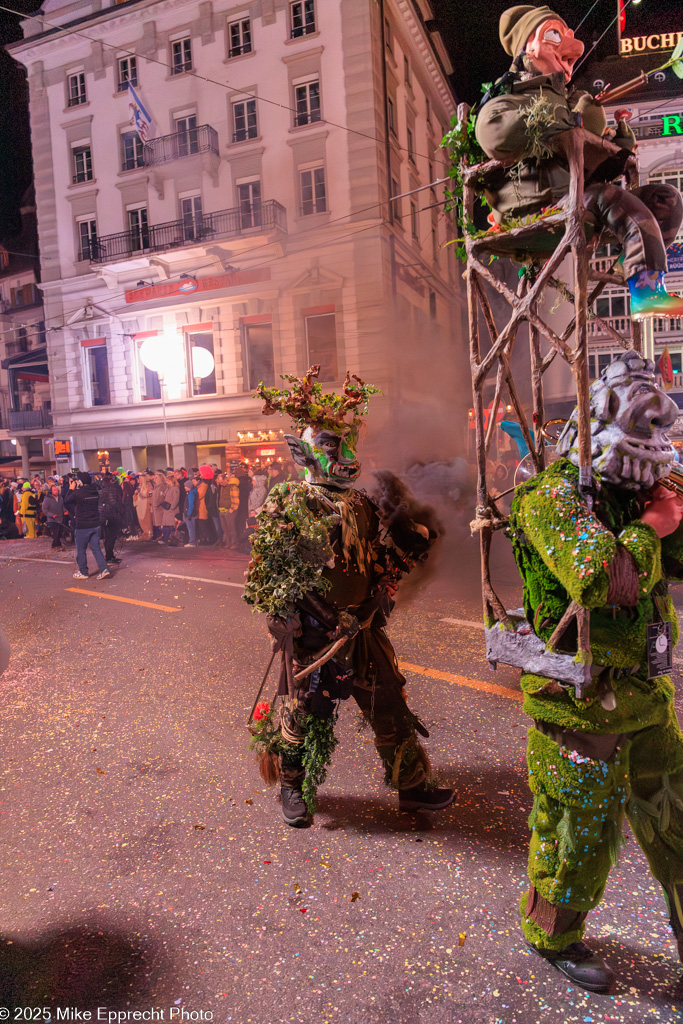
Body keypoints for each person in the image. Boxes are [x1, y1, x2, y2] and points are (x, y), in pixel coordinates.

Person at [508, 351, 683, 993]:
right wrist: (650, 528)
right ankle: (553, 935)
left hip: (645, 694)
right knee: (578, 832)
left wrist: (670, 503)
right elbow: (604, 582)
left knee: (677, 822)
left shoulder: (639, 491)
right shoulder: (552, 496)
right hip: (577, 703)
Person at [245, 366, 454, 828]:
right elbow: (268, 574)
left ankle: (412, 788)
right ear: (303, 452)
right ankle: (292, 789)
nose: (346, 455)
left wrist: (386, 581)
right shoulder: (287, 501)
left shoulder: (360, 503)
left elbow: (377, 557)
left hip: (362, 628)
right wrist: (285, 617)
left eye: (349, 444)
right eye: (331, 446)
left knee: (389, 704)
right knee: (304, 713)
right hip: (316, 636)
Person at [474, 5, 683, 321]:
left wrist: (616, 145)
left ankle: (644, 270)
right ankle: (646, 290)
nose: (570, 47)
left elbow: (586, 145)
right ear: (527, 46)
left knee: (666, 200)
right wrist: (558, 117)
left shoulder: (567, 97)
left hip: (577, 194)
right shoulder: (509, 98)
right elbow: (493, 133)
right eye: (555, 35)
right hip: (537, 206)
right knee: (604, 196)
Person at [64, 472, 111, 580]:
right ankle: (104, 569)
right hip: (95, 524)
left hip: (83, 526)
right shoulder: (95, 492)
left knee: (81, 550)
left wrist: (71, 488)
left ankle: (83, 572)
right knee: (96, 548)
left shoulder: (77, 493)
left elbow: (67, 500)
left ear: (79, 482)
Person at [98, 470, 125, 564]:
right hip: (111, 516)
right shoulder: (111, 490)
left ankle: (109, 555)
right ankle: (109, 556)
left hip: (103, 516)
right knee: (111, 537)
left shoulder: (100, 491)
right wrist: (122, 511)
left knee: (107, 537)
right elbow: (114, 502)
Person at [217, 470, 239, 548]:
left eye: (222, 482)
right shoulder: (222, 487)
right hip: (222, 510)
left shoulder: (233, 487)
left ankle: (234, 543)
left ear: (226, 479)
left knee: (231, 528)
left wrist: (231, 510)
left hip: (229, 510)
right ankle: (228, 543)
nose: (221, 484)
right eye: (220, 482)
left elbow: (236, 501)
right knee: (225, 529)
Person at [42, 484, 66, 549]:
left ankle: (56, 545)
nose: (56, 491)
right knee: (55, 533)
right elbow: (45, 509)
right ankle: (56, 545)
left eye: (57, 490)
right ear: (51, 491)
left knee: (59, 533)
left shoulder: (60, 498)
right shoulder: (47, 499)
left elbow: (62, 506)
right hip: (52, 520)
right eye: (54, 490)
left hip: (60, 518)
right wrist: (51, 515)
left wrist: (65, 511)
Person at [235, 463, 252, 548]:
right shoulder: (247, 481)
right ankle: (244, 540)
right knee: (244, 523)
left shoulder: (238, 483)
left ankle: (241, 540)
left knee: (240, 523)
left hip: (240, 505)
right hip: (246, 505)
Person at [160, 472, 180, 544]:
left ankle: (168, 538)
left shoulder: (175, 488)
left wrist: (172, 507)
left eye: (168, 481)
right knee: (166, 525)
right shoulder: (168, 488)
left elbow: (176, 499)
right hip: (167, 509)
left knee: (171, 525)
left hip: (171, 510)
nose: (167, 482)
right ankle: (165, 537)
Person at [133, 474, 153, 541]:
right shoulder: (139, 486)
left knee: (147, 520)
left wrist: (149, 500)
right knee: (141, 520)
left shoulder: (149, 485)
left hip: (146, 505)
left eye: (140, 478)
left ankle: (149, 533)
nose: (139, 480)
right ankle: (145, 532)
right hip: (140, 505)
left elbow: (151, 494)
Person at [183, 475, 198, 547]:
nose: (184, 487)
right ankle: (192, 541)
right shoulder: (191, 493)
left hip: (190, 514)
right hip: (190, 514)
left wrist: (188, 514)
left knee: (191, 529)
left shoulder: (191, 494)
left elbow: (191, 505)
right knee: (191, 528)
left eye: (186, 486)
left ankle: (192, 542)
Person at [151, 471, 167, 541]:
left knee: (162, 523)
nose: (154, 479)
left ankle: (164, 536)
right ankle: (162, 535)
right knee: (159, 523)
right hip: (156, 508)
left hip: (160, 508)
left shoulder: (162, 486)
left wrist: (156, 504)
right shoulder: (157, 487)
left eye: (156, 478)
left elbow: (160, 497)